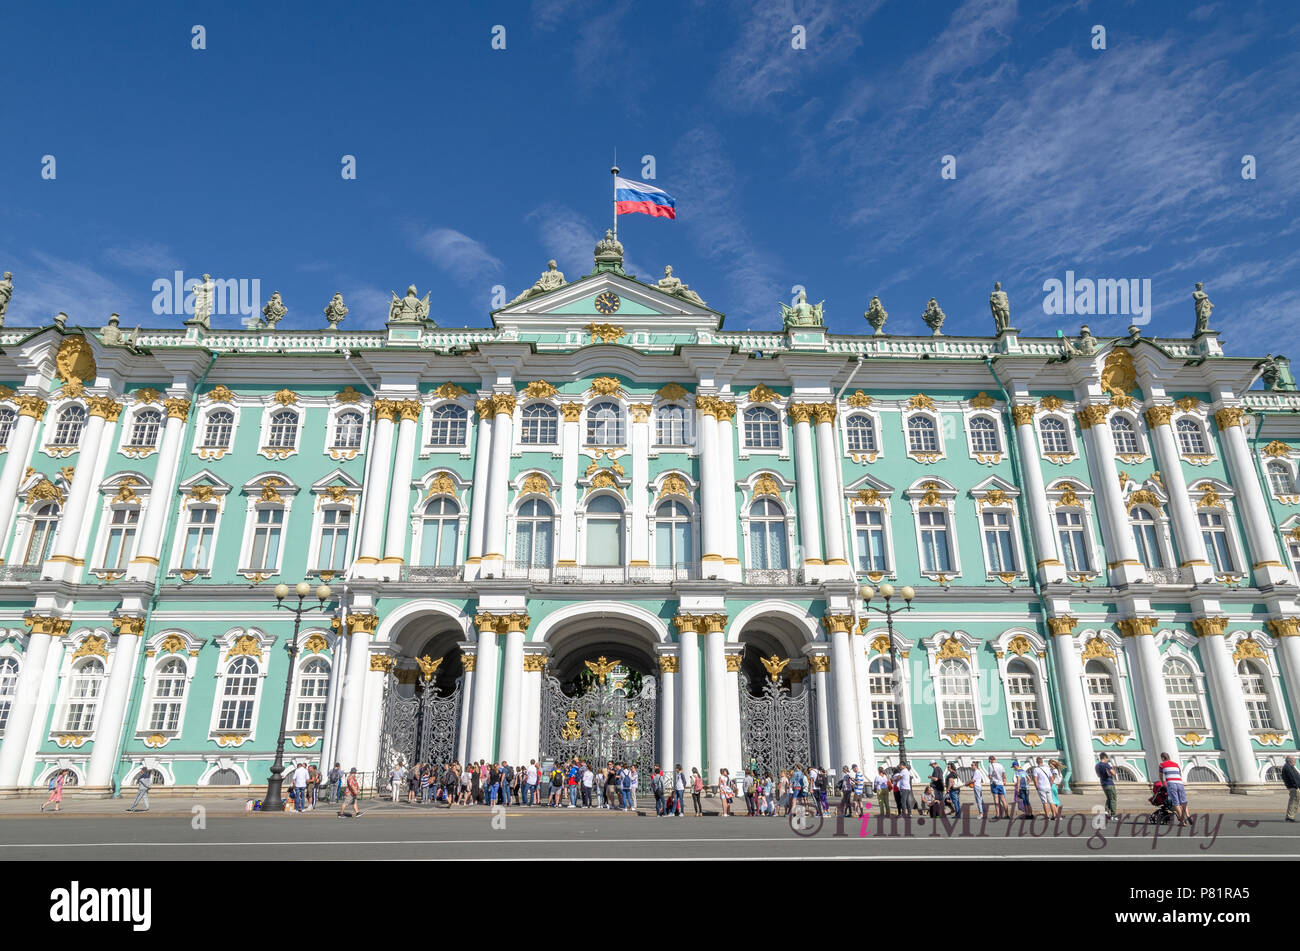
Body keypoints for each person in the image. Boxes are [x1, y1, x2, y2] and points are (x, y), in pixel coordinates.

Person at [1157, 752, 1189, 826]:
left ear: (1163, 758)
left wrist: (1163, 784)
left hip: (1171, 784)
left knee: (1176, 803)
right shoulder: (1176, 764)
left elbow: (1161, 776)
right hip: (1180, 783)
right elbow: (1180, 774)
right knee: (1183, 802)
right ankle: (1188, 816)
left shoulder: (1162, 765)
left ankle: (1182, 821)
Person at [1096, 753, 1118, 819]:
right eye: (1107, 758)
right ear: (1105, 758)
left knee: (1109, 798)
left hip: (1103, 783)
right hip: (1109, 783)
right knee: (1113, 799)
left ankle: (1106, 810)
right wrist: (1114, 769)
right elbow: (1113, 773)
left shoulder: (1097, 765)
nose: (1107, 760)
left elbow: (1098, 775)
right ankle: (1113, 814)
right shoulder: (1106, 765)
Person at [1281, 755, 1300, 822]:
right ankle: (1290, 817)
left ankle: (1290, 816)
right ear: (1290, 760)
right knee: (1294, 802)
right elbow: (1293, 778)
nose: (1295, 761)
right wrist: (1296, 786)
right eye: (1294, 760)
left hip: (1294, 787)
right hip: (1294, 788)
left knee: (1295, 802)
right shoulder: (1288, 767)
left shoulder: (1290, 767)